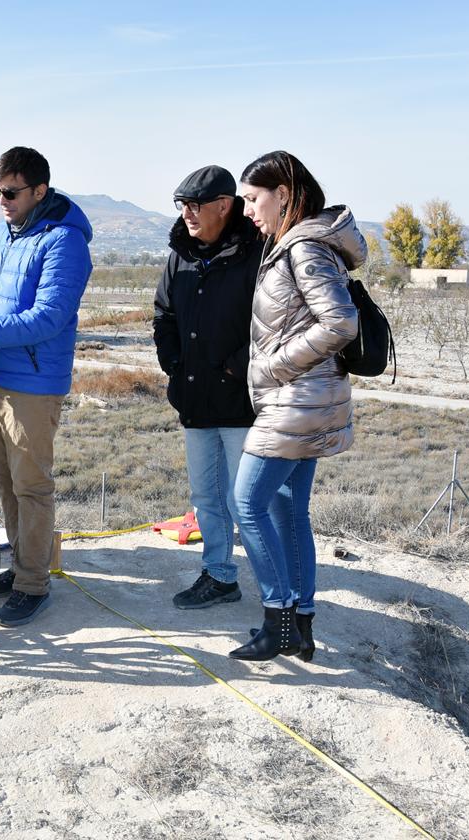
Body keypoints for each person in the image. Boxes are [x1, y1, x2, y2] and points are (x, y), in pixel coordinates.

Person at [0, 146, 93, 627]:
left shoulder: (65, 243)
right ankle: (21, 565)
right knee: (4, 479)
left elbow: (50, 317)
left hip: (32, 381)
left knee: (32, 485)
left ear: (40, 191)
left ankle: (33, 583)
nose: (2, 201)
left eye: (11, 193)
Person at [228, 151, 363, 662]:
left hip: (295, 399)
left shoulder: (303, 249)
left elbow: (340, 322)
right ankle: (299, 626)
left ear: (283, 193)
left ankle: (277, 620)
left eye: (253, 198)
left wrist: (273, 368)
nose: (247, 210)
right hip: (305, 400)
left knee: (246, 503)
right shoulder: (295, 245)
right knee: (287, 511)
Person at [154, 165, 263, 610]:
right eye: (182, 206)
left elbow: (269, 324)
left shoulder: (257, 250)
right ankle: (219, 576)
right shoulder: (180, 252)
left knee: (249, 503)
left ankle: (279, 592)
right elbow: (164, 314)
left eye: (195, 205)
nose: (187, 214)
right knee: (205, 497)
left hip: (241, 402)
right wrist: (175, 366)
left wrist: (237, 370)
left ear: (225, 204)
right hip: (195, 399)